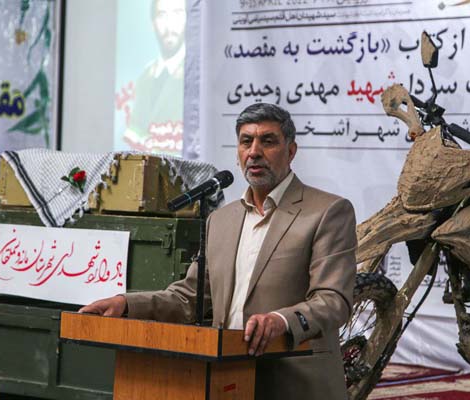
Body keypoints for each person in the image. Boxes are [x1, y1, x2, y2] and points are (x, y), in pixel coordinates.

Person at [81, 103, 357, 399]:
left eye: (268, 141)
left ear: (291, 151)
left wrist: (281, 320)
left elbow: (333, 300)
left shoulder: (327, 211)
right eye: (246, 141)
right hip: (228, 382)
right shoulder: (221, 220)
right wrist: (125, 304)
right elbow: (188, 298)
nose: (254, 152)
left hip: (296, 384)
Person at [123, 0, 186, 154]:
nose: (169, 26)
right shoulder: (145, 77)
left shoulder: (196, 74)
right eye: (162, 15)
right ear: (153, 23)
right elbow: (135, 137)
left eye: (177, 13)